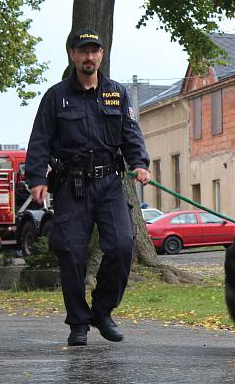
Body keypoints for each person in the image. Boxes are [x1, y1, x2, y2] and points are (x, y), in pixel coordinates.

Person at [25, 28, 151, 346]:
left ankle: (103, 311)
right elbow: (39, 140)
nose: (89, 57)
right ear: (73, 55)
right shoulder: (56, 97)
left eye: (94, 51)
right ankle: (78, 322)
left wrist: (140, 163)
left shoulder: (117, 94)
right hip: (72, 185)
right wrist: (37, 179)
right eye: (83, 51)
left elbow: (131, 133)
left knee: (122, 245)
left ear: (101, 55)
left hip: (110, 183)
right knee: (70, 252)